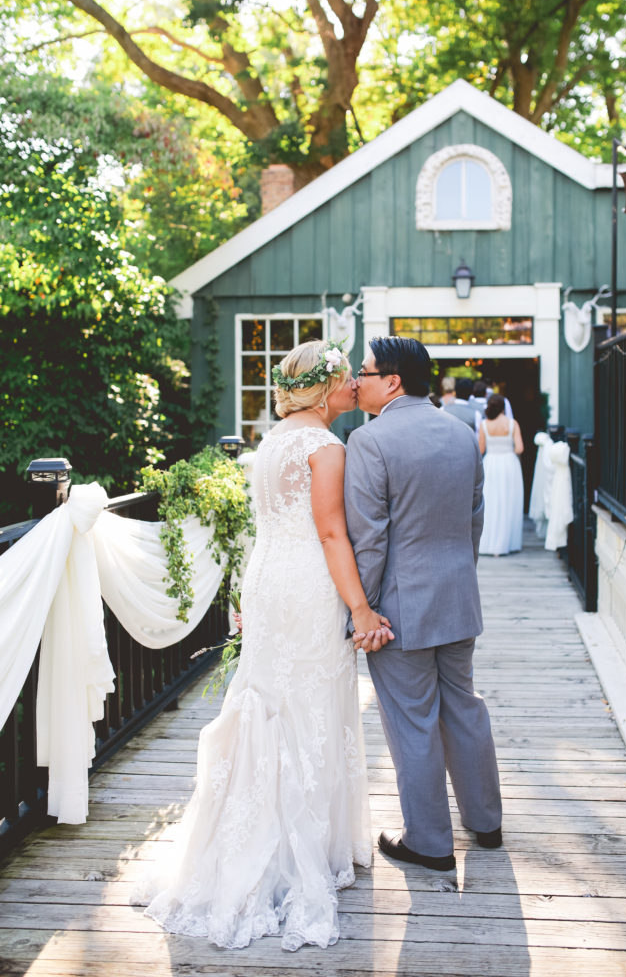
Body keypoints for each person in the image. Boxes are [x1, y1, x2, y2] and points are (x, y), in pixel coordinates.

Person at [136, 339, 391, 951]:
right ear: (327, 388)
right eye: (346, 379)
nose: (354, 387)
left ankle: (254, 833)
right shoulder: (326, 447)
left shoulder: (271, 441)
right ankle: (301, 850)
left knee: (270, 695)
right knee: (309, 704)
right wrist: (360, 606)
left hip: (268, 578)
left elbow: (263, 524)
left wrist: (244, 592)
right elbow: (331, 532)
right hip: (307, 583)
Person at [344, 336, 502, 872]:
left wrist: (360, 612)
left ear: (391, 381)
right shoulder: (461, 434)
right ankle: (486, 823)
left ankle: (431, 843)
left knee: (412, 721)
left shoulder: (370, 441)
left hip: (397, 611)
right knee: (464, 706)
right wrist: (458, 578)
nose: (354, 381)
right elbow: (473, 521)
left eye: (362, 373)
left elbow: (370, 539)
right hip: (458, 597)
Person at [478, 394, 525, 556]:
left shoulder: (484, 425)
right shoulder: (512, 424)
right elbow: (519, 448)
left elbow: (481, 449)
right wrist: (507, 451)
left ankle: (489, 543)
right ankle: (506, 542)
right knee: (509, 501)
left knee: (491, 502)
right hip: (509, 464)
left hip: (491, 463)